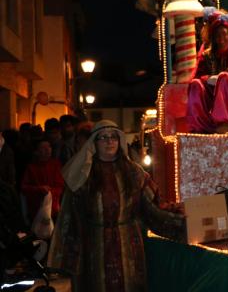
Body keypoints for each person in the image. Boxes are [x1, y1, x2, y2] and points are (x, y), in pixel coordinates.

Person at [48, 120, 186, 292]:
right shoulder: (82, 176)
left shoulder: (135, 173)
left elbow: (154, 206)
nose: (109, 141)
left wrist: (183, 218)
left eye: (113, 137)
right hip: (94, 247)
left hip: (129, 247)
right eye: (103, 137)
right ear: (94, 143)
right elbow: (69, 218)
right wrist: (68, 256)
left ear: (120, 141)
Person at [20, 138, 64, 222]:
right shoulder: (31, 167)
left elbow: (60, 185)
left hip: (54, 208)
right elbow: (24, 187)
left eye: (49, 146)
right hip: (37, 209)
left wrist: (50, 192)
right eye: (43, 147)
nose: (47, 149)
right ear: (36, 151)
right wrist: (39, 189)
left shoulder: (56, 164)